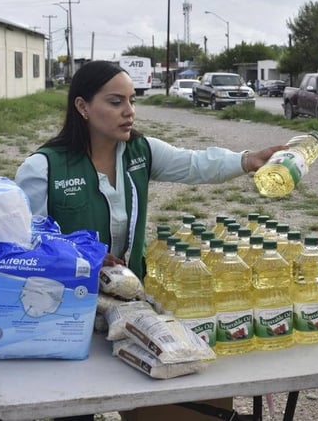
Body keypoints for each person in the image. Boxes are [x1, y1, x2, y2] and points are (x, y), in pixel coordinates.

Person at [15, 60, 284, 421]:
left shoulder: (141, 152)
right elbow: (23, 246)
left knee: (141, 393)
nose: (129, 112)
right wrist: (82, 259)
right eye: (115, 102)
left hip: (129, 305)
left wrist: (248, 160)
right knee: (74, 404)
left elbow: (193, 164)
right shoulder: (44, 167)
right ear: (82, 107)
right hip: (65, 314)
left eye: (132, 100)